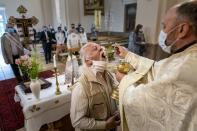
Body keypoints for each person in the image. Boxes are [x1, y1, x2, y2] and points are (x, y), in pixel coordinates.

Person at [115, 1, 197, 131]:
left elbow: (140, 102)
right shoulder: (188, 55)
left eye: (164, 26)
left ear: (182, 30)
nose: (162, 32)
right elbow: (155, 69)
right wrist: (128, 55)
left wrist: (124, 81)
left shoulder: (185, 68)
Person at [70, 42, 120, 131]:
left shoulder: (109, 75)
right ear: (88, 60)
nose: (103, 50)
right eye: (96, 49)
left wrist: (117, 111)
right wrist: (105, 125)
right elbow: (77, 121)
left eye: (101, 47)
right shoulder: (81, 86)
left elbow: (113, 97)